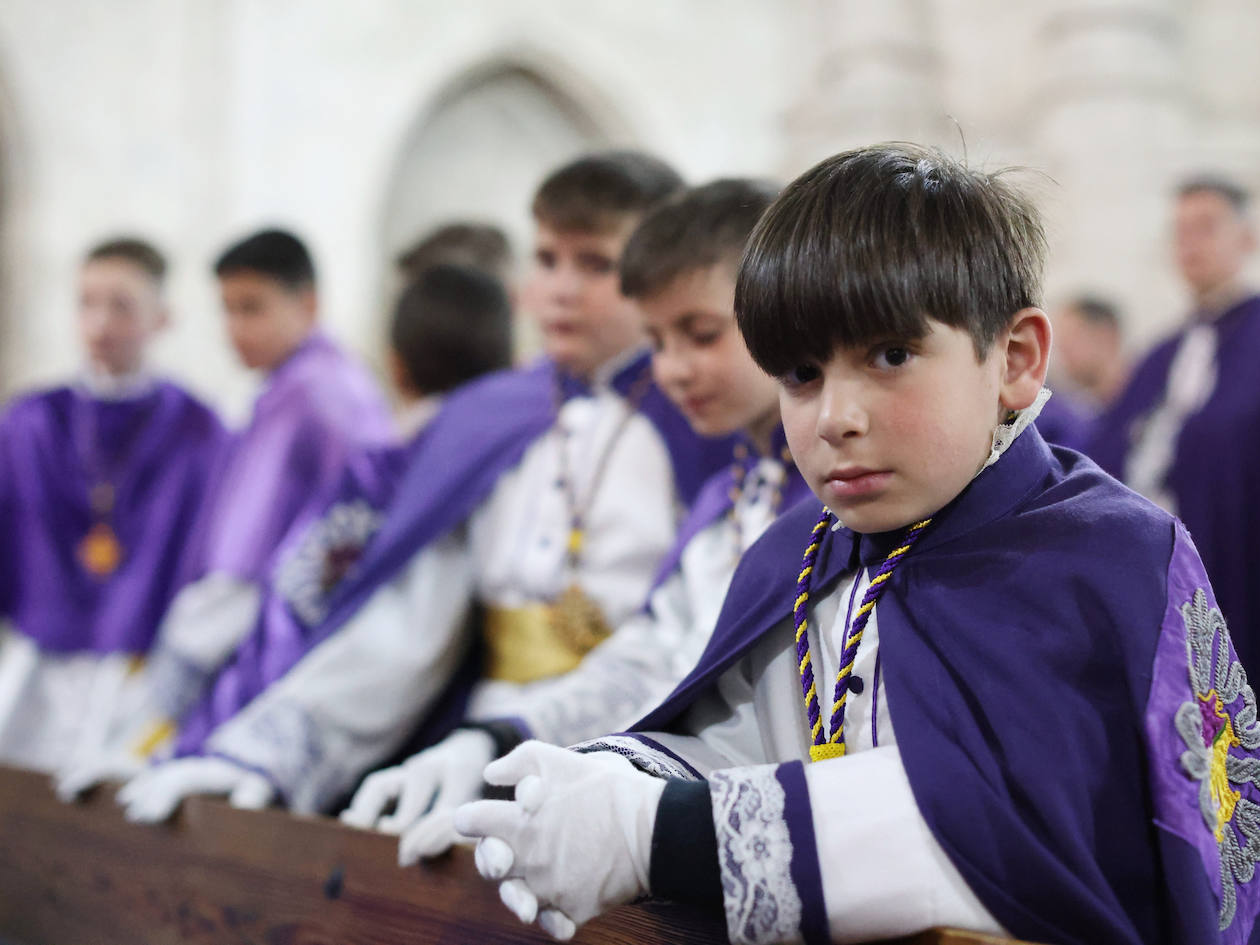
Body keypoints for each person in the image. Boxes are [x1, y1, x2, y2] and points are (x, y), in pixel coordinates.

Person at [453, 145, 1260, 945]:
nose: (836, 417)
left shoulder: (1105, 557)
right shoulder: (801, 548)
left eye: (890, 353)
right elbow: (738, 733)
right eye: (800, 373)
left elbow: (1014, 831)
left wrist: (660, 835)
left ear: (1015, 359)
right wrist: (602, 781)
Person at [113, 151, 733, 822]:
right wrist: (267, 753)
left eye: (596, 264)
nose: (560, 289)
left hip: (634, 764)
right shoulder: (485, 415)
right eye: (547, 259)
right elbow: (409, 623)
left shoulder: (707, 425)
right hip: (474, 752)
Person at [340, 179, 815, 867]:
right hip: (611, 761)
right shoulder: (732, 489)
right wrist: (504, 739)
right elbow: (656, 661)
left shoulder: (824, 496)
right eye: (656, 339)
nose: (673, 368)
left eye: (701, 335)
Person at [55, 263, 513, 798]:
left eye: (251, 307)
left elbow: (262, 583)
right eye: (227, 309)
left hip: (323, 707)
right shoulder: (333, 397)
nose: (235, 328)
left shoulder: (321, 405)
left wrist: (180, 733)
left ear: (397, 365)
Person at [1083, 176, 1260, 738]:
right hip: (1151, 571)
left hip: (1238, 562)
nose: (1190, 244)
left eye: (1207, 228)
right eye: (1180, 232)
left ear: (1248, 238)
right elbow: (1103, 452)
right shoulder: (1164, 351)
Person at [0, 237, 226, 773]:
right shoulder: (30, 421)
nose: (100, 324)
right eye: (87, 302)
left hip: (140, 667)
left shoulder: (199, 429)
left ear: (162, 317)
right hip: (39, 656)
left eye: (121, 305)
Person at [1050, 294, 1128, 409]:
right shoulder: (1078, 410)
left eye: (1073, 338)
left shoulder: (1148, 405)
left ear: (1105, 336)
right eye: (1062, 340)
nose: (1064, 349)